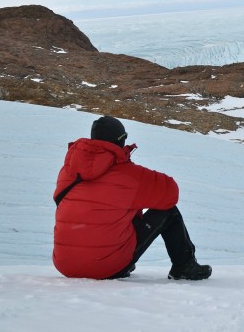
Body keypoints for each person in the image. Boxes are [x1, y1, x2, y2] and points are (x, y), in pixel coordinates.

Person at [52, 115, 212, 280]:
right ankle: (184, 266)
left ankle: (107, 256)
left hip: (65, 265)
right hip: (106, 267)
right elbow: (171, 193)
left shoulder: (68, 172)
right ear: (120, 141)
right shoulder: (128, 175)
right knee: (169, 212)